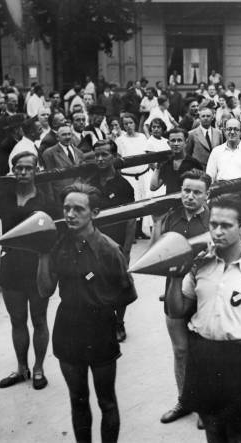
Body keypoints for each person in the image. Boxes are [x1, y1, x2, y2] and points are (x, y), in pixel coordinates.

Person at [166, 194, 241, 443]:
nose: (217, 232)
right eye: (213, 225)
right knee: (210, 426)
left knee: (237, 432)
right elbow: (177, 310)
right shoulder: (200, 264)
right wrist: (176, 277)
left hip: (238, 357)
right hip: (203, 352)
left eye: (226, 226)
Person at [37, 183, 135, 443]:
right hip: (67, 327)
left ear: (95, 212)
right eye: (67, 208)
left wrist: (104, 308)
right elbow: (46, 290)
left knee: (107, 401)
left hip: (100, 328)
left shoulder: (109, 250)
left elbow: (127, 294)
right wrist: (42, 254)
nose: (70, 214)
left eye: (78, 209)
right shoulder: (58, 245)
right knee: (77, 400)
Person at [0, 152, 56, 390]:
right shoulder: (3, 198)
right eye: (19, 168)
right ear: (13, 170)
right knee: (17, 320)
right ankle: (21, 368)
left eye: (28, 168)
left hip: (37, 266)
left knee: (39, 319)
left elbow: (55, 237)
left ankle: (38, 368)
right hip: (11, 264)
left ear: (36, 171)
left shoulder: (46, 200)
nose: (23, 173)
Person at [152, 170, 212, 429]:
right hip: (174, 289)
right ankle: (185, 401)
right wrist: (156, 225)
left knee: (205, 352)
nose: (190, 196)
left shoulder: (215, 220)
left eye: (197, 192)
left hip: (206, 294)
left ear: (207, 195)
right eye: (186, 190)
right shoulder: (169, 217)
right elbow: (155, 254)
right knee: (180, 350)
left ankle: (206, 405)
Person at [88, 140, 138, 342]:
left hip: (116, 244)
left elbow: (131, 219)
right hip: (92, 244)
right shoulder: (89, 183)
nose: (100, 159)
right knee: (92, 281)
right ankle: (100, 322)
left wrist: (126, 250)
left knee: (119, 284)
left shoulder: (124, 186)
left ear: (114, 157)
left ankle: (119, 322)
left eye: (104, 155)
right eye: (96, 155)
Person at [151, 128, 203, 194]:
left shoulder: (194, 163)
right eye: (173, 140)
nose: (176, 144)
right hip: (169, 202)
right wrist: (158, 167)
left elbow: (201, 188)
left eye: (179, 140)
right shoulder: (167, 163)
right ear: (168, 143)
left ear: (185, 142)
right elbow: (153, 187)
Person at [42, 125, 85, 204]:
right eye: (64, 134)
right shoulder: (49, 153)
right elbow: (47, 179)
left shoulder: (79, 152)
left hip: (79, 193)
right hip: (61, 195)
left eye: (69, 134)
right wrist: (50, 198)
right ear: (57, 137)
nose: (67, 137)